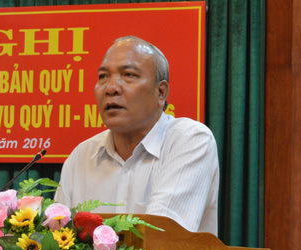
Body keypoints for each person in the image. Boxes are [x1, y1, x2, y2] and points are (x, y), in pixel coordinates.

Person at [55, 36, 219, 235]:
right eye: (103, 76)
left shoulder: (190, 140)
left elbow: (161, 236)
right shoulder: (81, 156)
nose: (111, 88)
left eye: (128, 75)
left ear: (161, 92)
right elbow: (59, 239)